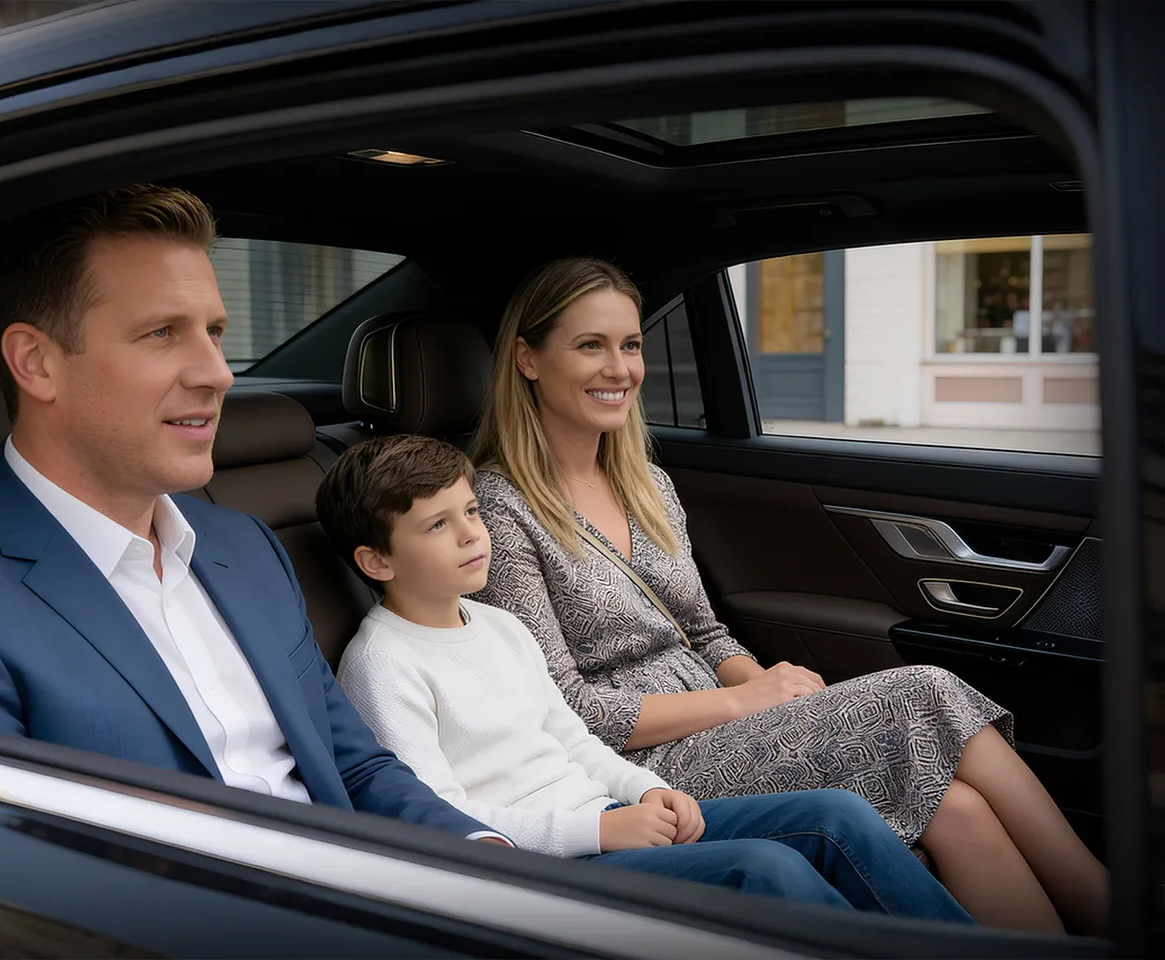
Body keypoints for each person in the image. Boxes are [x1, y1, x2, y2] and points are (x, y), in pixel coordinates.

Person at [0, 184, 508, 846]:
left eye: (214, 331)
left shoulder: (245, 545)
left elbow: (353, 766)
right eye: (161, 333)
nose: (218, 372)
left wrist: (484, 852)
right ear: (36, 362)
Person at [467, 256, 1109, 934]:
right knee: (926, 690)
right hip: (630, 770)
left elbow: (705, 634)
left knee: (955, 807)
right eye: (590, 345)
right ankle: (1110, 908)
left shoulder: (646, 483)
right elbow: (565, 709)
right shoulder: (498, 508)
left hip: (721, 722)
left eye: (630, 345)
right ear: (528, 359)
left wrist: (766, 682)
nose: (620, 368)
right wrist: (744, 700)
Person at [316, 433, 974, 922]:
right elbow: (438, 814)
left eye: (472, 512)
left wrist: (648, 791)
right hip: (552, 862)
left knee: (837, 813)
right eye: (438, 524)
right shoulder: (382, 664)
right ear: (376, 560)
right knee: (765, 865)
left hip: (609, 817)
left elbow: (571, 742)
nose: (470, 534)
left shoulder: (499, 627)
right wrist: (598, 832)